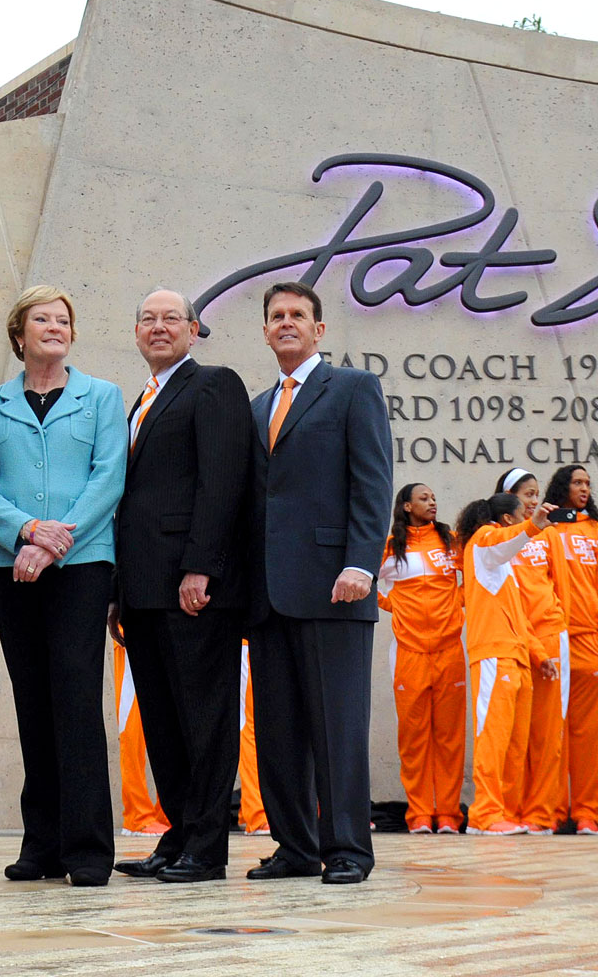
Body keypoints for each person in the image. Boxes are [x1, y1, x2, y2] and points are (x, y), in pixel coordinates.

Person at [0, 286, 124, 887]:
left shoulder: (102, 398)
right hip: (6, 567)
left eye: (63, 320)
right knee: (31, 700)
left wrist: (56, 540)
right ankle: (43, 844)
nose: (54, 327)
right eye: (42, 319)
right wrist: (26, 532)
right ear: (18, 334)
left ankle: (87, 848)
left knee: (76, 700)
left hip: (82, 565)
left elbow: (109, 477)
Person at [243, 281, 393, 885]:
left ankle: (349, 849)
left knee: (337, 731)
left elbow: (373, 481)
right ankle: (296, 847)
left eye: (297, 315)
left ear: (318, 330)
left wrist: (362, 561)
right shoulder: (256, 406)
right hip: (269, 594)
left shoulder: (353, 389)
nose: (286, 323)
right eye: (276, 316)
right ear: (265, 330)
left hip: (337, 587)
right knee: (278, 732)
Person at [110, 287, 253, 885]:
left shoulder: (214, 384)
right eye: (148, 318)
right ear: (136, 332)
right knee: (163, 720)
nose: (159, 327)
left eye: (173, 318)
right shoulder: (140, 399)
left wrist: (204, 567)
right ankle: (177, 832)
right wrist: (117, 589)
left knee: (203, 717)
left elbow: (222, 481)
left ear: (195, 331)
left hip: (190, 585)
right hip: (142, 589)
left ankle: (207, 847)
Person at [456, 493, 558, 834]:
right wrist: (534, 526)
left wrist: (539, 655)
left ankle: (506, 813)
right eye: (520, 515)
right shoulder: (483, 542)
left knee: (515, 745)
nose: (524, 518)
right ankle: (484, 815)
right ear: (505, 520)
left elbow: (519, 618)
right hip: (492, 656)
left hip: (517, 658)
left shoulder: (503, 568)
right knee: (493, 739)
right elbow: (503, 541)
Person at [377, 482, 465, 835]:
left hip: (449, 650)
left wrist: (457, 607)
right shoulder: (391, 547)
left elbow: (472, 579)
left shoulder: (450, 539)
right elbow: (369, 584)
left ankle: (447, 814)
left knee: (449, 737)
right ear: (407, 506)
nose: (432, 502)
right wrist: (393, 605)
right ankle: (419, 814)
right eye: (424, 498)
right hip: (409, 652)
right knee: (414, 738)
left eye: (434, 497)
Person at [541, 464, 598, 836]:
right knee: (554, 733)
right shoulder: (546, 528)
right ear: (562, 487)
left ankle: (587, 812)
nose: (584, 488)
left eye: (588, 483)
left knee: (588, 736)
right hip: (554, 642)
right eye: (577, 482)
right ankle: (553, 810)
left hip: (590, 646)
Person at [494, 470, 568, 835]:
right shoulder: (497, 538)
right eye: (527, 494)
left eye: (537, 494)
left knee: (546, 733)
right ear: (509, 497)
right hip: (511, 638)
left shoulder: (549, 534)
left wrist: (559, 630)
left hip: (550, 635)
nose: (534, 500)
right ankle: (508, 810)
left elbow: (561, 586)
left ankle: (541, 813)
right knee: (511, 734)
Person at [112, 643, 170, 836]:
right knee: (132, 725)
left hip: (163, 625)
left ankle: (167, 812)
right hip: (131, 629)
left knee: (166, 724)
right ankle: (137, 815)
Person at [237, 646, 268, 834]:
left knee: (258, 723)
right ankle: (256, 813)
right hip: (246, 639)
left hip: (262, 638)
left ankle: (249, 809)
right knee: (249, 725)